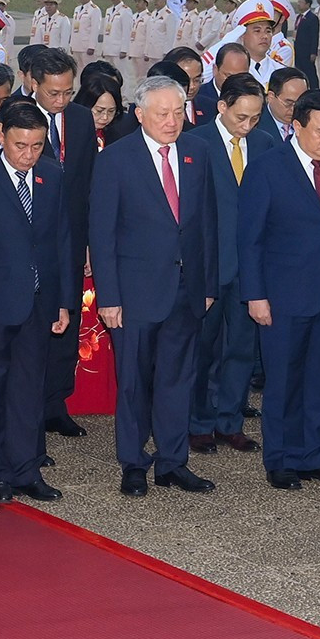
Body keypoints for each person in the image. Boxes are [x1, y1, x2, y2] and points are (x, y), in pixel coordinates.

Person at [89, 76, 219, 497]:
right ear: (140, 115)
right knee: (133, 382)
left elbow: (208, 225)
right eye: (161, 114)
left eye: (178, 112)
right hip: (135, 294)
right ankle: (132, 462)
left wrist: (208, 284)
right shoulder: (116, 159)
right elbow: (102, 234)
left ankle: (172, 462)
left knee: (178, 380)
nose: (171, 121)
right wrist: (108, 297)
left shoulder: (199, 151)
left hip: (187, 290)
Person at [238, 90, 320, 490]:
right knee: (284, 379)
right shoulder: (267, 168)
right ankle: (280, 458)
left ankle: (315, 454)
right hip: (283, 294)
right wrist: (255, 295)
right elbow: (250, 239)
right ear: (297, 127)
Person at [0, 101, 74, 502]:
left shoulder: (52, 175)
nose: (28, 154)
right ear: (2, 134)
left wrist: (62, 301)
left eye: (37, 146)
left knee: (29, 387)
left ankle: (27, 468)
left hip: (39, 301)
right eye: (20, 145)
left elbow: (61, 242)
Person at [182, 74, 274, 455]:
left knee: (239, 348)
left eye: (255, 118)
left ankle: (230, 421)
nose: (248, 126)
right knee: (203, 349)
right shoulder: (195, 144)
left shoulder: (265, 144)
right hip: (208, 268)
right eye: (241, 117)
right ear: (222, 106)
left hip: (249, 270)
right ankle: (198, 422)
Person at [25, 48, 94, 439]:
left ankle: (56, 403)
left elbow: (88, 183)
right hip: (32, 243)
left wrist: (87, 243)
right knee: (33, 327)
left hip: (72, 241)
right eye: (53, 93)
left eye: (68, 91)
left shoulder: (81, 119)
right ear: (35, 84)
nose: (61, 100)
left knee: (67, 324)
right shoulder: (18, 118)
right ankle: (30, 408)